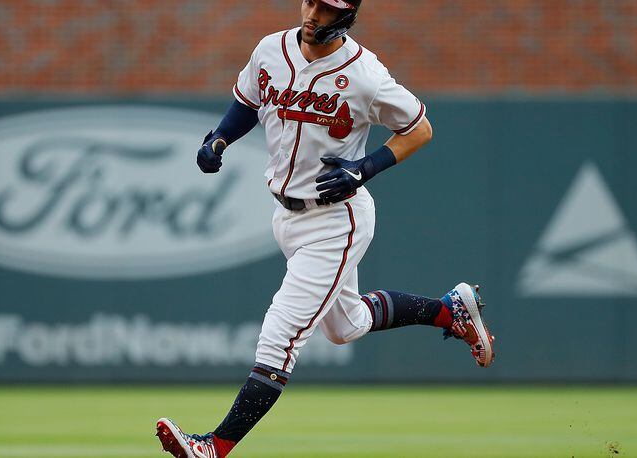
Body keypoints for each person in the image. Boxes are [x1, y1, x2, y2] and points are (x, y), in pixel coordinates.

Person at [156, 1, 495, 456]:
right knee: (346, 325)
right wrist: (218, 138)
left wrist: (366, 167)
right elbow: (246, 102)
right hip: (287, 215)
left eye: (328, 8)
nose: (314, 13)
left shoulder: (364, 73)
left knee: (280, 334)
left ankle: (215, 447)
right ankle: (448, 310)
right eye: (311, 1)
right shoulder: (271, 48)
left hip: (337, 220)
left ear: (347, 16)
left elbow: (419, 129)